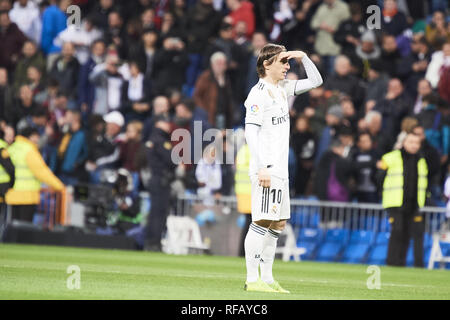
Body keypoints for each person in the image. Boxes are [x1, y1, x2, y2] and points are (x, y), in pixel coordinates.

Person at [243, 44, 322, 293]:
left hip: (281, 169)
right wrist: (261, 166)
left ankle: (267, 278)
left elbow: (317, 81)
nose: (287, 66)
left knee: (277, 224)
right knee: (262, 219)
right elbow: (250, 132)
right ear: (267, 64)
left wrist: (304, 57)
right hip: (267, 168)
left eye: (288, 62)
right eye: (283, 62)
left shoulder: (283, 89)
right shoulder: (258, 94)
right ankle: (252, 279)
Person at [377, 132, 428, 267]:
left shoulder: (421, 160)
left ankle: (407, 264)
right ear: (403, 142)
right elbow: (378, 174)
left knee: (414, 234)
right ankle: (392, 262)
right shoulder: (391, 157)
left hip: (414, 204)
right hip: (395, 202)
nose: (414, 145)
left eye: (417, 143)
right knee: (397, 232)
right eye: (411, 142)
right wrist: (381, 192)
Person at [6, 127, 65, 223]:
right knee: (25, 229)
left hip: (12, 195)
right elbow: (42, 172)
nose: (38, 140)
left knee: (14, 228)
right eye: (37, 137)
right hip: (27, 196)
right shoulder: (29, 150)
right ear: (31, 136)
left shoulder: (12, 148)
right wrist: (60, 186)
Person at [143, 116, 178, 252]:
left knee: (154, 212)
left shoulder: (152, 139)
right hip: (161, 180)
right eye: (165, 122)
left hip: (156, 179)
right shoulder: (161, 141)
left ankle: (150, 241)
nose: (168, 125)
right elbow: (172, 160)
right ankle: (154, 243)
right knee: (159, 213)